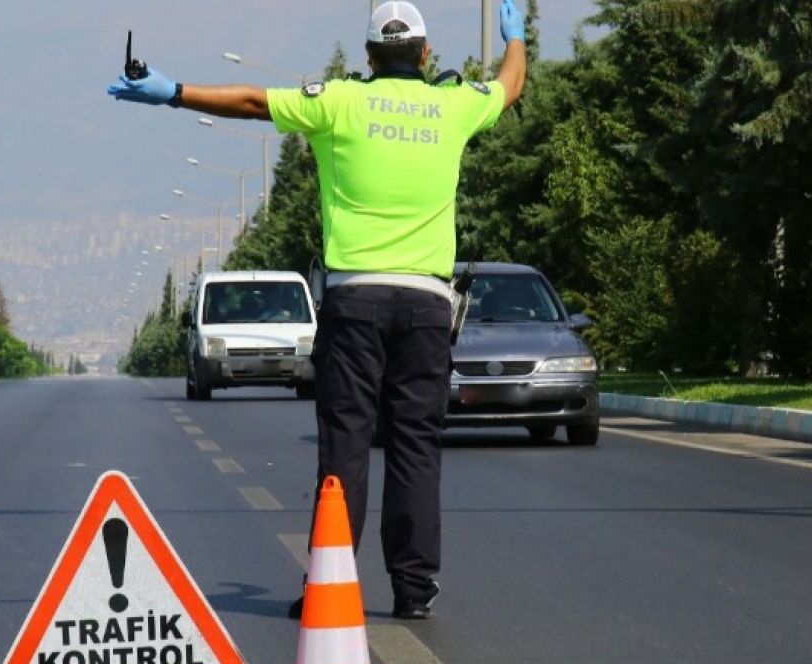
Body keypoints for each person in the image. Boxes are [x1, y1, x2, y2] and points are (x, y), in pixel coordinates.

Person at [109, 0, 526, 620]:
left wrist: (173, 92)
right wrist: (514, 39)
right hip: (427, 307)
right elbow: (509, 86)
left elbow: (253, 103)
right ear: (426, 54)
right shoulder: (454, 105)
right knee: (415, 446)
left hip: (354, 302)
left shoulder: (338, 102)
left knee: (346, 445)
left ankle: (331, 583)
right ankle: (413, 591)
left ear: (367, 57)